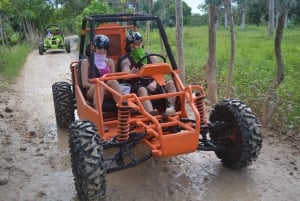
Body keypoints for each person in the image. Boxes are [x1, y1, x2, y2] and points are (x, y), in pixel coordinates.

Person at [120, 31, 176, 116]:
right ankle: (151, 114)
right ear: (128, 47)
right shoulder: (126, 60)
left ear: (141, 43)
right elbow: (125, 74)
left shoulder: (152, 58)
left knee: (171, 83)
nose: (136, 47)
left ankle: (169, 109)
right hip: (137, 85)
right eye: (132, 46)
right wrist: (130, 73)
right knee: (142, 89)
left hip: (153, 83)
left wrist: (154, 82)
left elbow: (160, 73)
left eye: (138, 44)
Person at [81, 34, 121, 114]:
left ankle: (123, 110)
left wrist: (106, 87)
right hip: (92, 90)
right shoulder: (86, 62)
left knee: (112, 81)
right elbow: (85, 84)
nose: (102, 50)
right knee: (100, 85)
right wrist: (101, 85)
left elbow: (114, 80)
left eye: (105, 48)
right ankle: (98, 116)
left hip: (108, 90)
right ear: (94, 48)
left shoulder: (110, 62)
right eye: (99, 47)